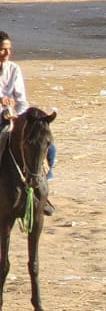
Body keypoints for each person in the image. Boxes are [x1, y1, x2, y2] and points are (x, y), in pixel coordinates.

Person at [0, 33, 53, 215]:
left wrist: (21, 117)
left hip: (15, 119)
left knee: (46, 148)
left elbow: (21, 100)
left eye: (9, 49)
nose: (6, 53)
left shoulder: (13, 69)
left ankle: (42, 192)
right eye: (3, 49)